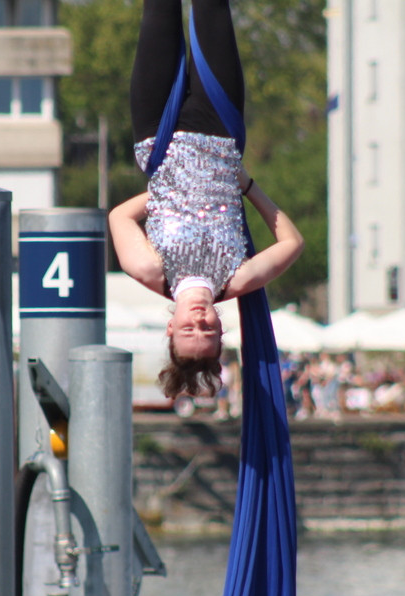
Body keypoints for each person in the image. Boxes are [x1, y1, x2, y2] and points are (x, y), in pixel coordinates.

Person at [108, 0, 305, 397]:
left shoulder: (151, 271)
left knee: (159, 9)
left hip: (156, 132)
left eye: (188, 328)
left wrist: (168, 191)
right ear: (220, 326)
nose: (199, 320)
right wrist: (248, 188)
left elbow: (119, 218)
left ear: (170, 326)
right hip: (219, 127)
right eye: (209, 329)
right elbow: (293, 243)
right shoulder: (237, 279)